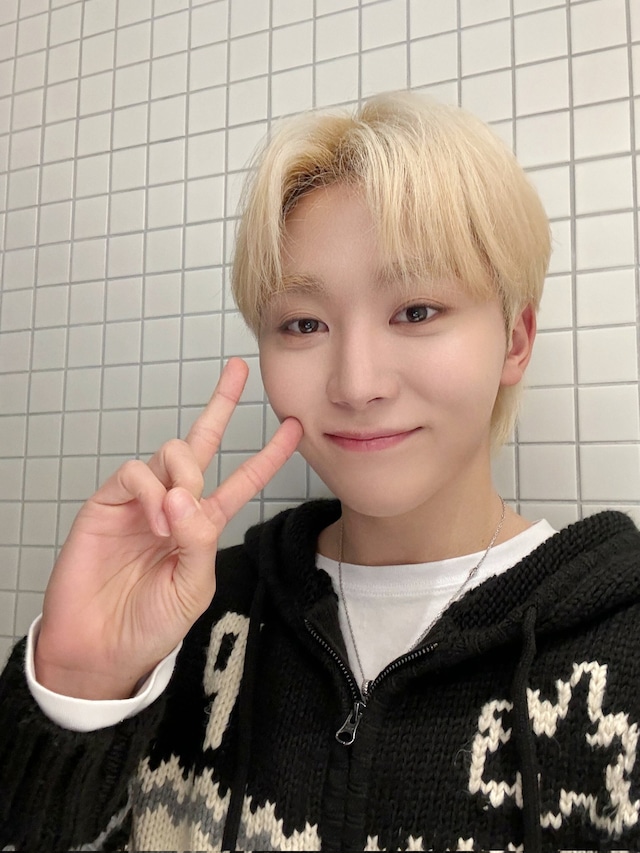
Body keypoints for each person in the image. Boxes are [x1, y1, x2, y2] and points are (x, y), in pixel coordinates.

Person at [1, 91, 639, 853]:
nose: (357, 383)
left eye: (416, 311)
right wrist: (79, 688)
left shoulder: (622, 644)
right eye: (304, 323)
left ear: (515, 339)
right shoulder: (188, 620)